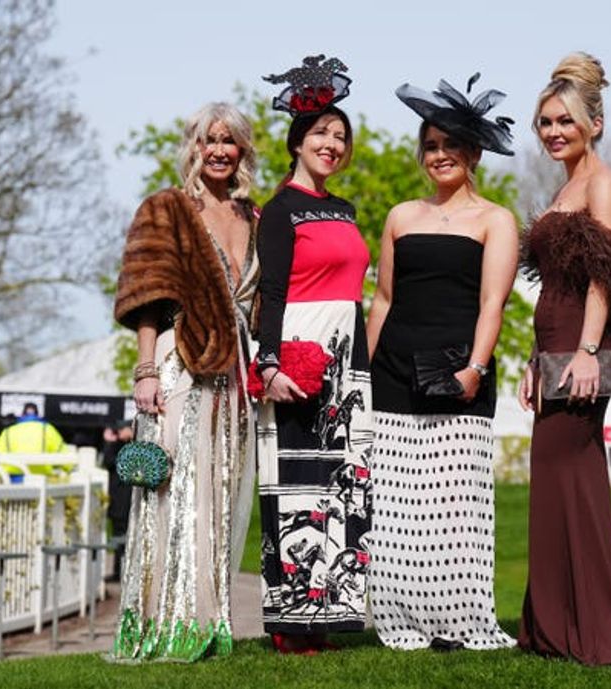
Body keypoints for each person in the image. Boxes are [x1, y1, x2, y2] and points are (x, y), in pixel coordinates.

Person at [516, 52, 611, 665]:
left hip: (581, 346)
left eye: (564, 122)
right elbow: (553, 285)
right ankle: (554, 624)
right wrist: (532, 361)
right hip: (551, 343)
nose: (553, 132)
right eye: (545, 122)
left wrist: (585, 352)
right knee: (554, 483)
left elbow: (602, 277)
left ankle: (590, 628)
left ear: (594, 125)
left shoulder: (603, 183)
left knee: (572, 477)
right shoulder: (565, 186)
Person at [365, 74, 518, 651]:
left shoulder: (496, 220)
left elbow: (491, 305)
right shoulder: (400, 215)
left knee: (456, 507)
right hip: (394, 376)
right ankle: (400, 622)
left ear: (474, 153)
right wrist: (363, 372)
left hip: (460, 373)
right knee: (397, 511)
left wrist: (474, 369)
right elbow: (382, 301)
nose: (440, 155)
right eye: (430, 145)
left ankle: (460, 623)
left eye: (451, 145)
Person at [110, 101, 259, 663]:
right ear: (194, 147)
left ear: (243, 150)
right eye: (209, 139)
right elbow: (147, 297)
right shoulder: (167, 209)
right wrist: (146, 370)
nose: (219, 150)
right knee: (174, 493)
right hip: (178, 364)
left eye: (230, 140)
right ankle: (163, 626)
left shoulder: (254, 216)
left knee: (219, 497)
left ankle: (210, 622)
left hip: (236, 376)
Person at [255, 55, 373, 654]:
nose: (333, 144)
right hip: (300, 352)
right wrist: (268, 364)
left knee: (340, 486)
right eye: (323, 133)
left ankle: (328, 610)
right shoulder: (279, 211)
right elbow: (270, 292)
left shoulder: (347, 210)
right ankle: (288, 619)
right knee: (294, 484)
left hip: (349, 358)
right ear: (297, 141)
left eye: (341, 137)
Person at [101, 420, 133, 581]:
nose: (119, 433)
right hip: (118, 498)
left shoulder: (134, 445)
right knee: (117, 535)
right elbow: (107, 462)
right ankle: (117, 571)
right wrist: (110, 442)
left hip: (129, 498)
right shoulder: (116, 446)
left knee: (128, 537)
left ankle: (127, 572)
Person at [0, 403, 65, 453]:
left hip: (13, 475)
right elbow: (64, 455)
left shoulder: (8, 432)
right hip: (41, 475)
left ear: (22, 415)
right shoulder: (48, 430)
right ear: (38, 415)